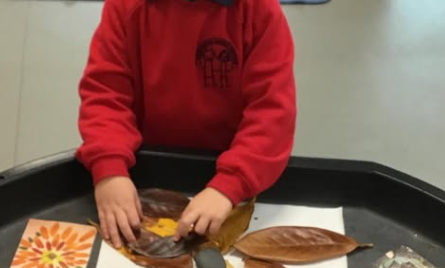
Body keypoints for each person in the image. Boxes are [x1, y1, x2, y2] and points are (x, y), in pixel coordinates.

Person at [77, 0, 296, 248]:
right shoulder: (125, 7)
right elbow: (105, 95)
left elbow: (272, 114)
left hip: (232, 174)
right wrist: (110, 170)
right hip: (146, 170)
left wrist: (230, 186)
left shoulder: (260, 11)